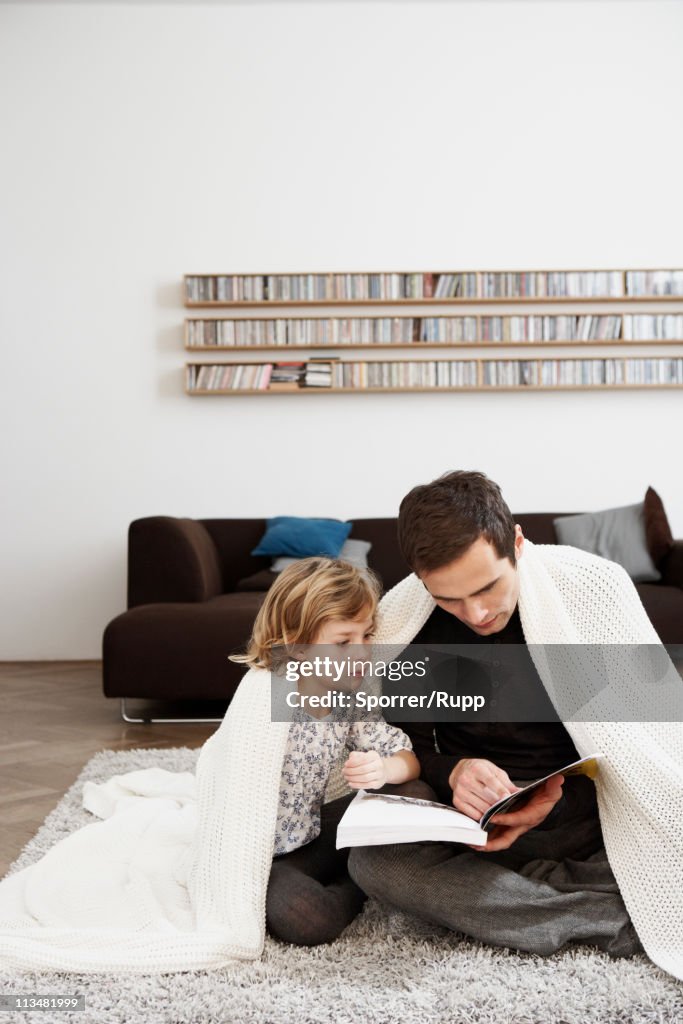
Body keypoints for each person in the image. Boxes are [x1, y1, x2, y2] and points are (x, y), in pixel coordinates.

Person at [348, 470, 643, 958]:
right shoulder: (411, 626)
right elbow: (406, 745)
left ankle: (512, 894)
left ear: (518, 544)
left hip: (584, 815)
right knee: (376, 865)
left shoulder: (591, 591)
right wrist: (455, 771)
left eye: (487, 587)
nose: (476, 613)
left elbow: (641, 751)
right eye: (449, 598)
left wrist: (554, 803)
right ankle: (604, 916)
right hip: (472, 825)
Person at [232, 555, 424, 947]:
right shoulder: (264, 697)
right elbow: (228, 794)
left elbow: (408, 759)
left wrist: (383, 769)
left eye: (366, 636)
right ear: (297, 647)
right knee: (305, 917)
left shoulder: (348, 698)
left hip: (315, 834)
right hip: (267, 857)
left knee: (417, 794)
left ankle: (368, 870)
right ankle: (363, 884)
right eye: (343, 642)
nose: (361, 653)